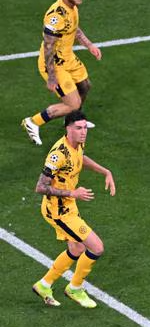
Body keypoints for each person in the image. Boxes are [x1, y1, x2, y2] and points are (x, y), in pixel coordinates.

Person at [31, 110, 115, 309]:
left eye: (85, 127)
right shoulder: (57, 155)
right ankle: (75, 288)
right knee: (96, 247)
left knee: (76, 248)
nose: (83, 132)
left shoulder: (77, 143)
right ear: (67, 129)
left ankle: (44, 285)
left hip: (68, 206)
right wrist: (73, 193)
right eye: (78, 128)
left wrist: (105, 171)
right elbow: (40, 187)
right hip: (58, 211)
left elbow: (80, 158)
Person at [21, 0, 102, 146]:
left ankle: (73, 121)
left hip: (68, 58)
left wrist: (89, 45)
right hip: (54, 63)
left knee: (85, 86)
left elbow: (74, 28)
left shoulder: (72, 8)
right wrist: (51, 77)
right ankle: (33, 122)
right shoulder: (56, 16)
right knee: (73, 103)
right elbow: (48, 47)